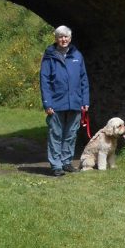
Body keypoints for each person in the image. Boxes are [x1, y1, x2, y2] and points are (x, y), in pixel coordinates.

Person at [39, 25, 90, 176]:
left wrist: (85, 100)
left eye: (66, 36)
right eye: (60, 37)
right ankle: (56, 165)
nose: (63, 39)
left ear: (70, 38)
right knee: (56, 134)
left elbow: (83, 80)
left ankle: (66, 162)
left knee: (71, 134)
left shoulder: (77, 56)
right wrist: (47, 103)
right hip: (56, 103)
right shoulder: (49, 57)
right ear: (56, 39)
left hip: (75, 102)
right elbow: (45, 81)